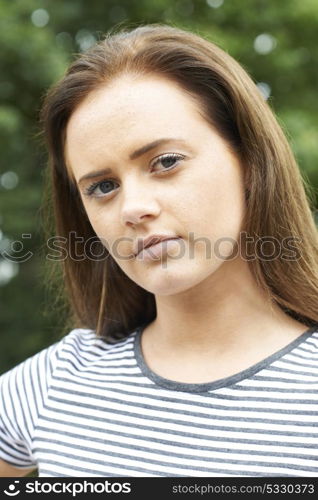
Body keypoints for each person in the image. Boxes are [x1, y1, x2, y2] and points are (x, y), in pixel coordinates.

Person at [1, 23, 318, 478]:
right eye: (103, 187)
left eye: (165, 162)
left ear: (249, 161)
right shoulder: (56, 382)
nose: (133, 208)